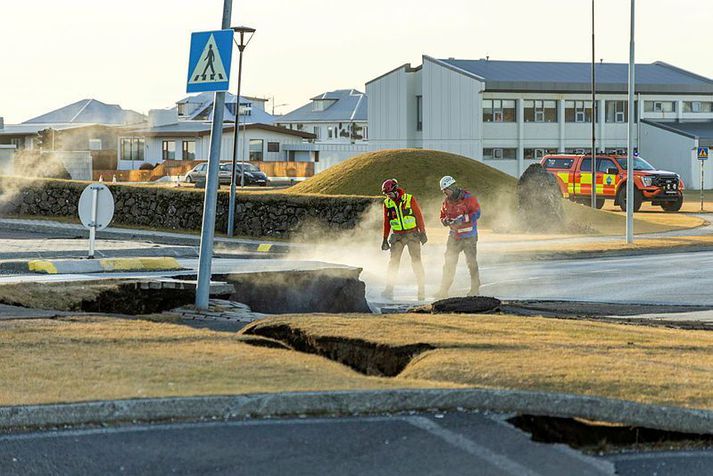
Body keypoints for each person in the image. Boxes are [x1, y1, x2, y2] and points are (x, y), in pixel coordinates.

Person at [380, 178, 427, 301]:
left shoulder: (409, 199)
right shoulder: (387, 203)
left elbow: (419, 216)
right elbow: (386, 222)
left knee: (416, 261)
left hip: (412, 234)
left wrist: (423, 232)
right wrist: (385, 239)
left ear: (395, 190)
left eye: (389, 193)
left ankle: (421, 290)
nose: (388, 196)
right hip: (397, 236)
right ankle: (389, 289)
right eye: (386, 194)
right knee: (393, 263)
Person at [436, 175, 481, 298]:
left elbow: (477, 213)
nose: (445, 193)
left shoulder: (468, 198)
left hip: (469, 236)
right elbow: (442, 215)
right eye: (443, 191)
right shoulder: (446, 201)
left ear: (452, 187)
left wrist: (463, 219)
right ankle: (443, 290)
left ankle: (475, 290)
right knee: (449, 264)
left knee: (471, 263)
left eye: (446, 190)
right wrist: (444, 220)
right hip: (454, 237)